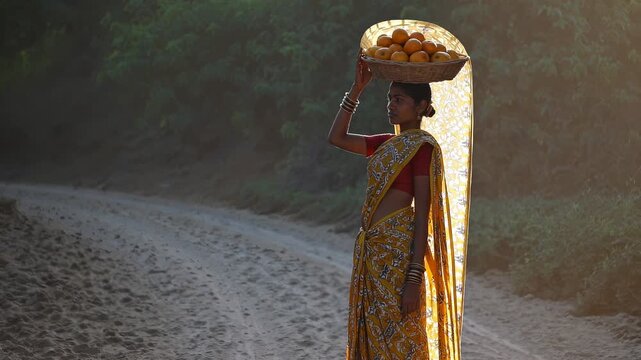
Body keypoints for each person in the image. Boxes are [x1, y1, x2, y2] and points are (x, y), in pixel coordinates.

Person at [327, 48, 463, 359]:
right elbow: (336, 138)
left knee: (402, 338)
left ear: (421, 107)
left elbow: (423, 215)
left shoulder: (422, 149)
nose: (391, 105)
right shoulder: (386, 144)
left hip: (399, 260)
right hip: (372, 254)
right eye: (390, 99)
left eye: (399, 100)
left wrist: (414, 277)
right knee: (373, 341)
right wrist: (357, 88)